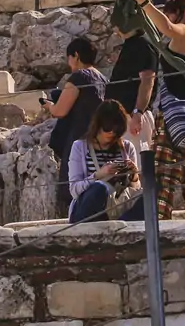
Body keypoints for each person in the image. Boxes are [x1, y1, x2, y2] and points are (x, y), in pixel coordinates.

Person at [127, 0, 185, 223]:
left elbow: (167, 28)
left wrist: (143, 1)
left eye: (171, 14)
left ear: (184, 14)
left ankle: (161, 231)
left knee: (163, 178)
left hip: (174, 122)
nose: (169, 20)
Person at [45, 36, 107, 216]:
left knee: (74, 185)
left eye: (69, 58)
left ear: (76, 55)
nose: (69, 63)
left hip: (79, 138)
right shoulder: (103, 79)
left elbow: (60, 111)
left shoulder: (79, 76)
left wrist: (48, 105)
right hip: (99, 139)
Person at [66, 100, 144, 223]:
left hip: (117, 206)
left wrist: (134, 176)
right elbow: (74, 190)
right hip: (88, 209)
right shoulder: (79, 147)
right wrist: (98, 176)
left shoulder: (127, 147)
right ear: (98, 125)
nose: (112, 132)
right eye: (108, 128)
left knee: (149, 195)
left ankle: (122, 226)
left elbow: (135, 190)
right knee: (99, 188)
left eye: (117, 129)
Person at [105, 25, 159, 139]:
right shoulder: (130, 45)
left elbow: (147, 82)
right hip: (122, 117)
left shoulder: (143, 46)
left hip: (133, 117)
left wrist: (138, 112)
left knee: (136, 156)